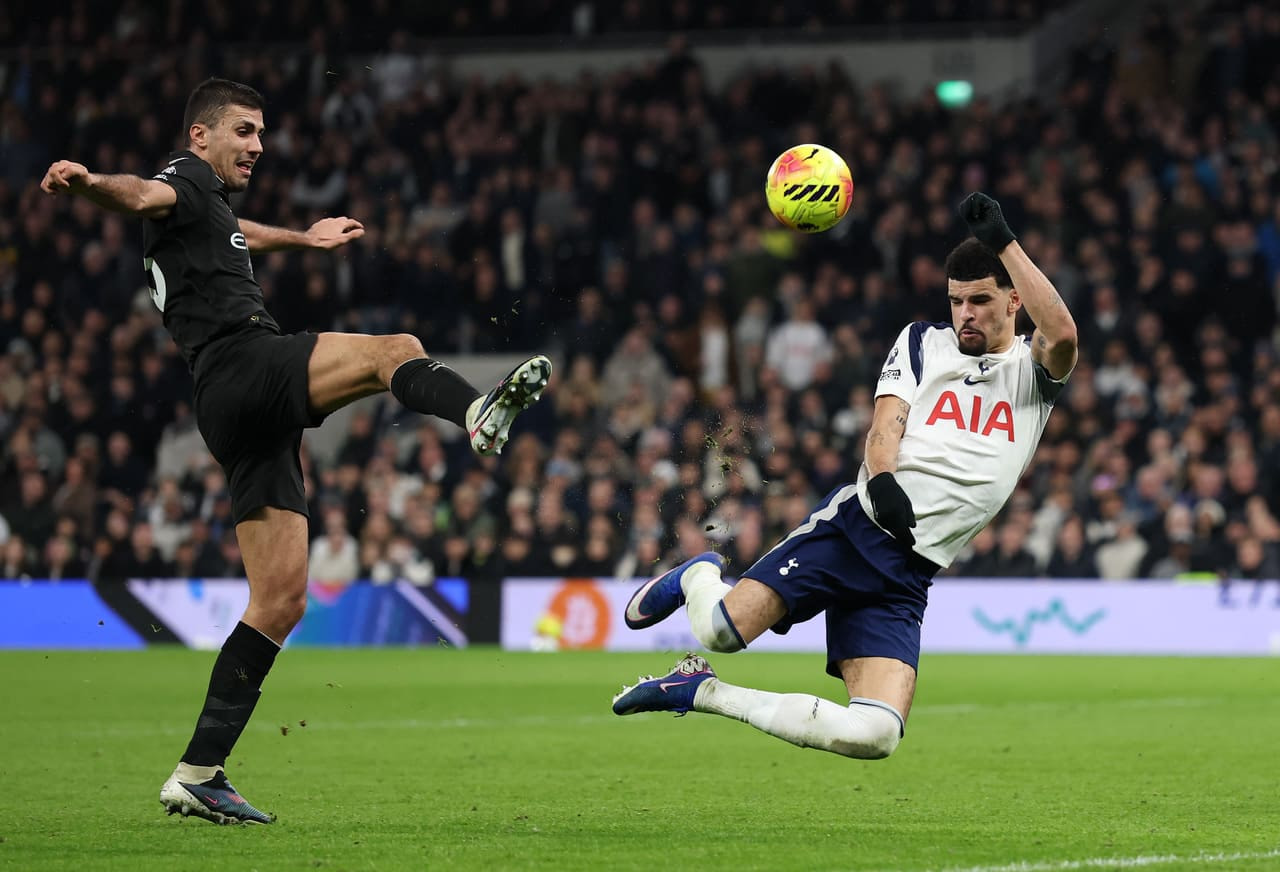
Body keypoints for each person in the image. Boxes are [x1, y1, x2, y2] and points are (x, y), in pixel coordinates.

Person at [40, 78, 551, 824]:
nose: (257, 146)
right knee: (394, 351)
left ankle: (198, 771)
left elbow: (237, 232)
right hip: (243, 363)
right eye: (243, 131)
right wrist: (88, 185)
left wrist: (304, 238)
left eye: (260, 134)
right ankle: (475, 413)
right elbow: (139, 196)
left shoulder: (209, 207)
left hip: (225, 403)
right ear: (200, 137)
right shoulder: (180, 179)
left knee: (279, 600)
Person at [612, 193, 1077, 760]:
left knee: (875, 736)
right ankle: (698, 575)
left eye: (981, 301)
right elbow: (886, 427)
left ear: (1014, 302)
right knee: (718, 632)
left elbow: (1066, 333)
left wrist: (1004, 240)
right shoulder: (923, 342)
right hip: (855, 531)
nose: (966, 315)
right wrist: (881, 480)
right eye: (956, 301)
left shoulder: (1032, 373)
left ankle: (701, 691)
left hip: (909, 573)